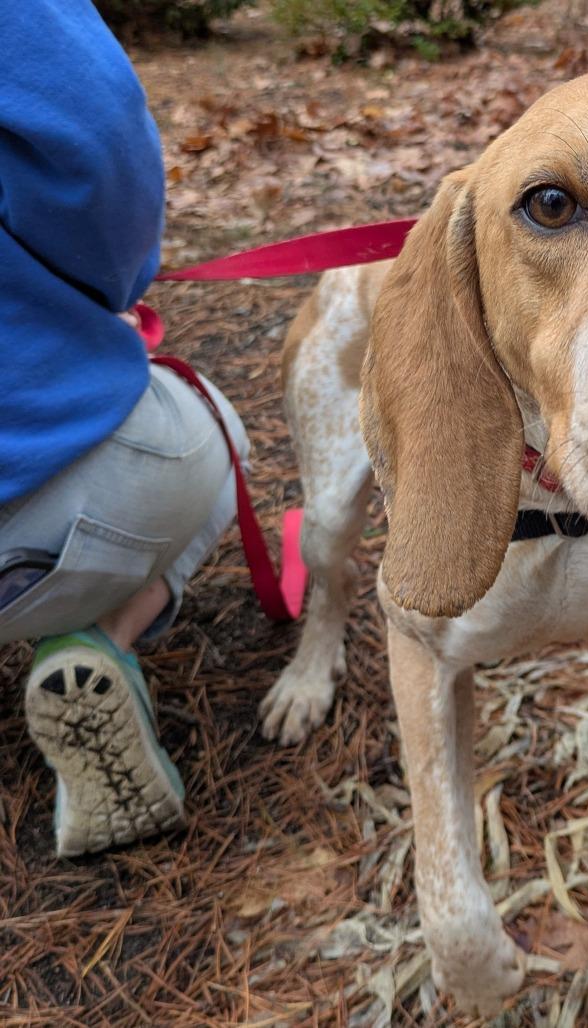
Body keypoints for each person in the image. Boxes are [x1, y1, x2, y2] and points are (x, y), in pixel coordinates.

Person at [0, 1, 249, 857]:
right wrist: (107, 282)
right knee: (219, 433)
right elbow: (97, 140)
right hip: (32, 518)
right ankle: (100, 640)